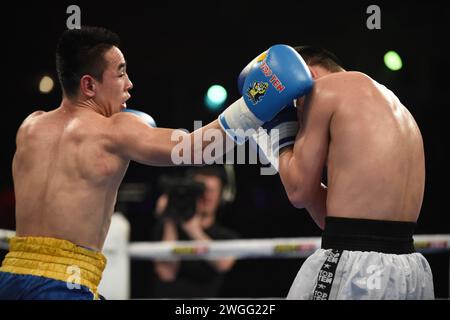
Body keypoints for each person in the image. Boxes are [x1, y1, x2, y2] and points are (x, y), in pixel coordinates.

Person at [0, 25, 313, 299]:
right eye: (120, 72)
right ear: (88, 85)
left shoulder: (30, 126)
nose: (129, 83)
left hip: (9, 275)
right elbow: (199, 149)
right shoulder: (116, 130)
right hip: (64, 285)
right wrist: (257, 101)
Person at [252, 46, 433, 299]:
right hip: (408, 272)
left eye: (294, 104)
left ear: (307, 76)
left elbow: (298, 192)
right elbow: (340, 222)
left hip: (355, 268)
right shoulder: (399, 109)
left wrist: (279, 138)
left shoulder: (322, 90)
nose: (299, 117)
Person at [151, 166, 238, 298]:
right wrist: (170, 218)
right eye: (202, 190)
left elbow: (223, 263)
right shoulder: (168, 229)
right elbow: (166, 273)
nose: (206, 196)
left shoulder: (226, 236)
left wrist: (193, 230)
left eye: (212, 191)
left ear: (222, 195)